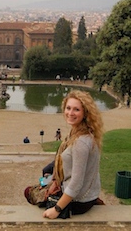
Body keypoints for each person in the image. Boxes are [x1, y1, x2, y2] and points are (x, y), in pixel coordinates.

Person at [43, 90, 104, 219]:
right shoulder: (81, 132)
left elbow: (76, 183)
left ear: (85, 113)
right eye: (68, 108)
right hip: (87, 193)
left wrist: (57, 209)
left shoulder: (81, 142)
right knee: (46, 177)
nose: (70, 113)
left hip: (78, 201)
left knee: (30, 191)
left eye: (76, 110)